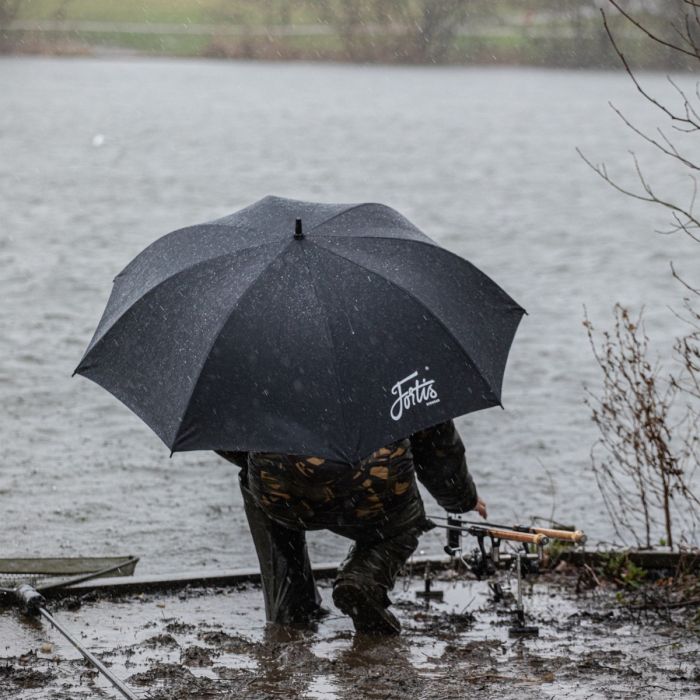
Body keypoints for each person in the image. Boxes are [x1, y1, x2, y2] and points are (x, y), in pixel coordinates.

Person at [217, 420, 486, 635]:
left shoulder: (266, 371)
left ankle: (291, 608)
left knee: (255, 479)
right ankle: (364, 576)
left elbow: (227, 435)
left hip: (283, 492)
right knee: (407, 518)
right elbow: (435, 440)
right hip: (374, 487)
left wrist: (279, 460)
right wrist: (462, 499)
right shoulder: (393, 367)